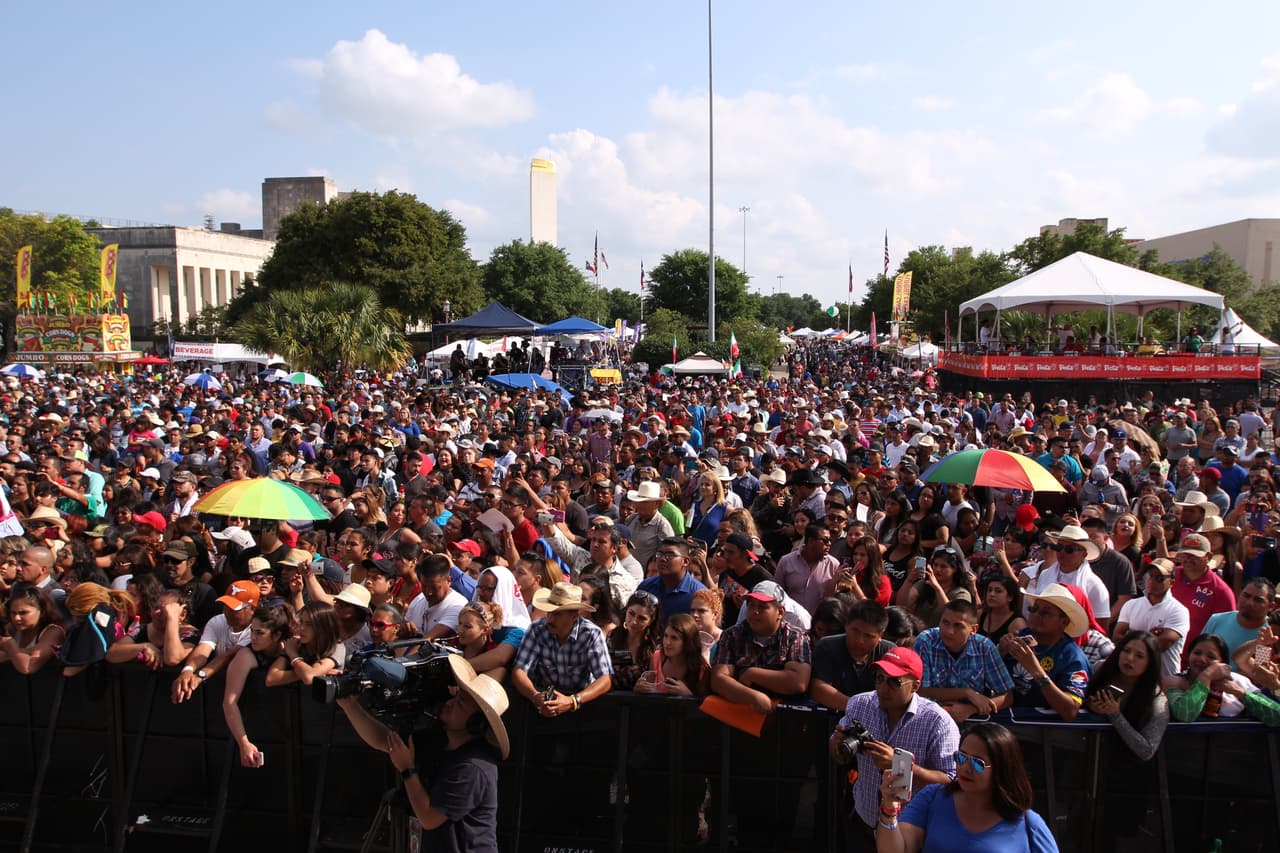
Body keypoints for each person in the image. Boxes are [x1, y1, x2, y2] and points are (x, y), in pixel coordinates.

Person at [337, 654, 509, 853]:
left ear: (476, 724)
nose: (451, 703)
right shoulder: (440, 741)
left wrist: (408, 770)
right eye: (456, 697)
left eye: (460, 704)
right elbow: (386, 741)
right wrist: (350, 706)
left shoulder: (473, 767)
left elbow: (429, 818)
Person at [827, 646, 960, 848]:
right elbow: (839, 755)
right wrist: (836, 745)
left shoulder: (938, 721)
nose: (883, 687)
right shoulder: (859, 704)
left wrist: (901, 765)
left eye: (894, 682)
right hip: (863, 824)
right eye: (879, 678)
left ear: (915, 686)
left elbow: (951, 781)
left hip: (912, 834)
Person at [874, 721, 1057, 852]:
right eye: (961, 757)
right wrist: (889, 808)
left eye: (978, 763)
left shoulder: (1028, 824)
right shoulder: (933, 797)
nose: (965, 768)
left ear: (1002, 769)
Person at [510, 582, 613, 716]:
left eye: (557, 614)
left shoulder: (591, 634)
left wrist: (572, 701)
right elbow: (519, 671)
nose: (550, 619)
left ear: (574, 615)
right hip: (542, 710)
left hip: (583, 711)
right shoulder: (536, 629)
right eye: (549, 613)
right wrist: (535, 696)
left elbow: (605, 680)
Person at [710, 580, 812, 714]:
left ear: (780, 612)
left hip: (784, 722)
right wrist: (753, 697)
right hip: (739, 720)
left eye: (762, 607)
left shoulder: (795, 637)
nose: (754, 611)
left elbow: (798, 682)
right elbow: (718, 680)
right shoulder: (732, 635)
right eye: (751, 606)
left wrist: (752, 674)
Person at [998, 583, 1090, 720]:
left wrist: (1035, 670)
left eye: (1045, 612)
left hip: (1044, 733)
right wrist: (999, 652)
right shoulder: (1020, 637)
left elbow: (1070, 711)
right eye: (1033, 609)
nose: (1035, 615)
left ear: (1064, 622)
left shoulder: (1073, 658)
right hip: (1006, 720)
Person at [915, 600, 1014, 722]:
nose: (949, 631)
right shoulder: (925, 641)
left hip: (973, 721)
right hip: (931, 717)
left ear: (973, 629)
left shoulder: (985, 647)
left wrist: (971, 709)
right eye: (945, 622)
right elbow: (920, 690)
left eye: (958, 626)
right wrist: (966, 693)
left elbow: (1007, 696)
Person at [222, 603, 292, 768]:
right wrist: (244, 742)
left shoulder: (291, 648)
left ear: (277, 635)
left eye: (260, 633)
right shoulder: (245, 655)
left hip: (286, 731)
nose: (253, 637)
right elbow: (229, 703)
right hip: (254, 730)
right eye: (252, 631)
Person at [1083, 631, 1169, 761]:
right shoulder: (1100, 669)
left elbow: (1147, 750)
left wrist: (1115, 714)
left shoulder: (1157, 700)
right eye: (1126, 651)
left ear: (1150, 663)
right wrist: (1089, 705)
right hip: (1085, 753)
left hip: (1125, 766)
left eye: (1139, 656)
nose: (1129, 658)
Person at [171, 580, 260, 704]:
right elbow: (203, 649)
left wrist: (199, 676)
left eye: (234, 609)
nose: (227, 612)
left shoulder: (257, 630)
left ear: (252, 609)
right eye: (225, 606)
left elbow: (228, 656)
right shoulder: (217, 621)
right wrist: (188, 670)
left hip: (250, 693)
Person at [1165, 633, 1280, 724]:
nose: (1201, 659)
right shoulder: (1175, 682)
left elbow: (1276, 716)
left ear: (1223, 663)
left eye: (1211, 656)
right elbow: (1185, 716)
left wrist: (1239, 692)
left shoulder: (1237, 681)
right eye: (1197, 653)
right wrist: (1206, 676)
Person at [809, 600, 895, 712]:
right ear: (846, 625)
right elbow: (818, 689)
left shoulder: (889, 653)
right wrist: (860, 709)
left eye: (868, 636)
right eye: (855, 631)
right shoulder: (827, 647)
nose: (860, 641)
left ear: (880, 635)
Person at [1113, 557, 1191, 677]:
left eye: (1159, 578)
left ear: (1171, 582)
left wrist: (1131, 635)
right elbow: (1117, 636)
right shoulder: (1131, 605)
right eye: (1149, 576)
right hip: (1130, 678)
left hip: (1163, 679)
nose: (1151, 581)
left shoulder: (1179, 611)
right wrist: (1151, 636)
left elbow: (1161, 645)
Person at [634, 612, 711, 696]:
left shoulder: (701, 667)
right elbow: (650, 692)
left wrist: (688, 695)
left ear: (688, 642)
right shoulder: (657, 657)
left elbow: (703, 704)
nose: (667, 642)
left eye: (674, 638)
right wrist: (639, 689)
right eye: (666, 636)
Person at [0, 583, 66, 674]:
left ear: (42, 611)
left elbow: (29, 667)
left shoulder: (54, 631)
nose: (16, 618)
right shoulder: (12, 629)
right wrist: (26, 652)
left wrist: (10, 647)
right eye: (13, 613)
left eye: (23, 613)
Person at [636, 537, 707, 618]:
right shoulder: (646, 586)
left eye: (670, 555)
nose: (662, 559)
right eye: (659, 554)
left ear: (685, 561)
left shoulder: (699, 594)